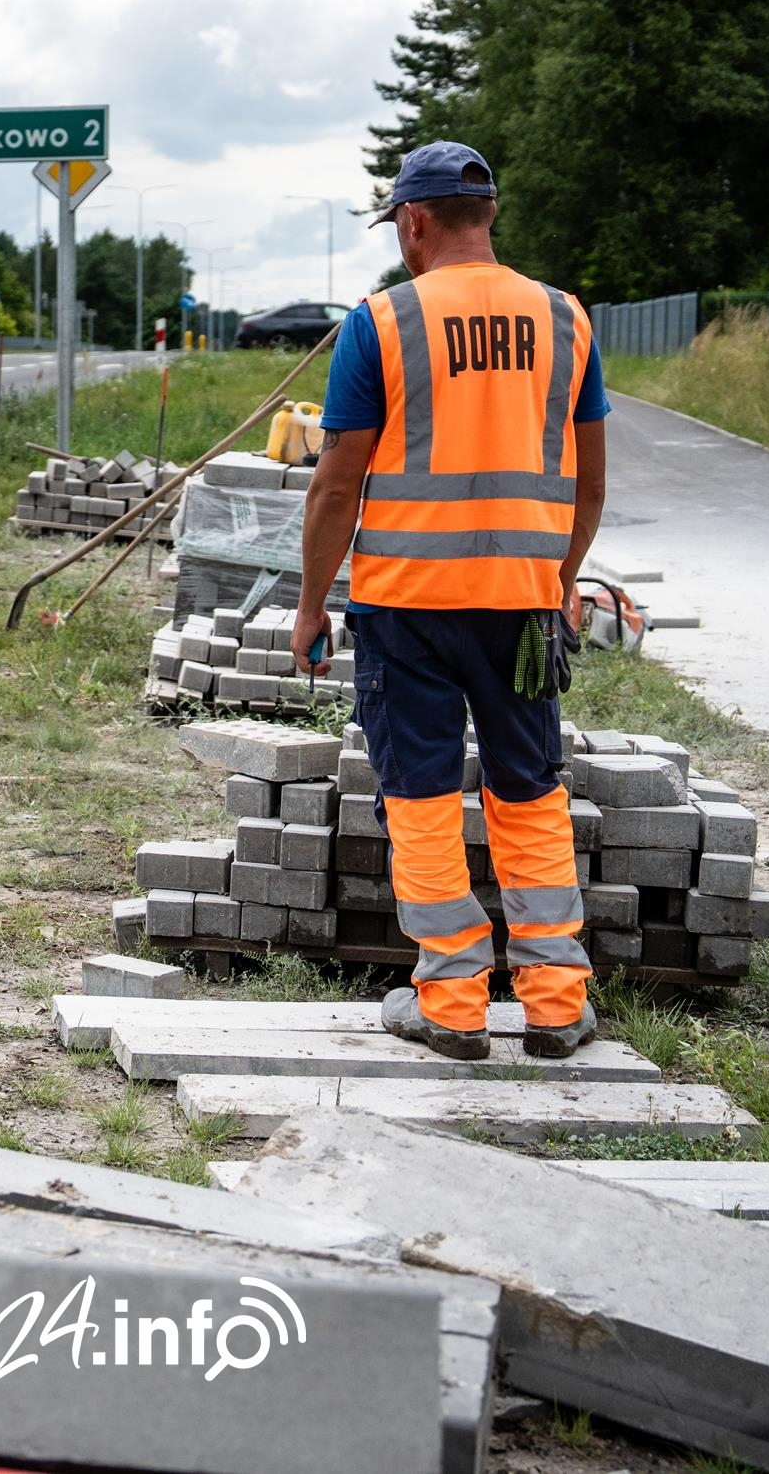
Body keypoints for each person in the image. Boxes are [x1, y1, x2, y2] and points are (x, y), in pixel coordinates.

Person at [290, 141, 610, 1061]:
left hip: (408, 606)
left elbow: (336, 485)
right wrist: (556, 580)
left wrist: (313, 605)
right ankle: (554, 1003)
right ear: (490, 216)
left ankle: (455, 1007)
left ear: (416, 221)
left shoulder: (383, 322)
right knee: (529, 788)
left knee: (423, 797)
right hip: (521, 605)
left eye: (397, 223)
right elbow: (589, 483)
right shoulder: (564, 318)